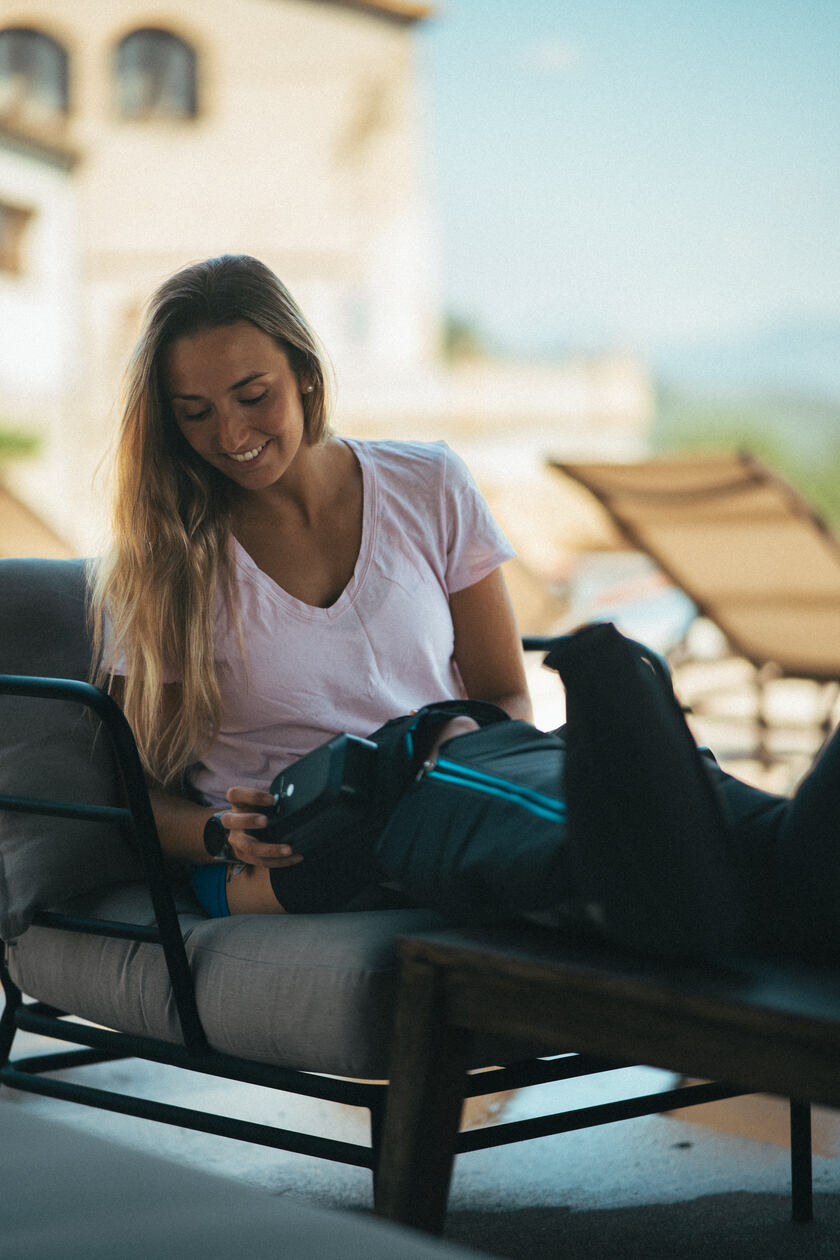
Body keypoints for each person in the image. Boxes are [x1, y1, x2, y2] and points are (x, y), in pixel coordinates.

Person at [90, 254, 838, 957]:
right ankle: (702, 862)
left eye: (254, 397)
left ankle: (780, 845)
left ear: (307, 377)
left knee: (583, 779)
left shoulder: (429, 485)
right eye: (194, 413)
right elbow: (133, 797)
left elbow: (504, 692)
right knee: (581, 817)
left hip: (457, 767)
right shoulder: (166, 562)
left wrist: (481, 752)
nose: (231, 434)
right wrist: (221, 835)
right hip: (297, 842)